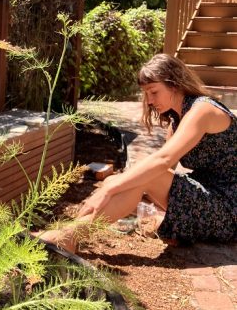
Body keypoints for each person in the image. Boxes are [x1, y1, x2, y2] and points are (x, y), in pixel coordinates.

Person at [34, 53, 236, 252]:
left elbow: (163, 161)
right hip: (209, 196)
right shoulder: (176, 121)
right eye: (146, 93)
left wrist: (108, 191)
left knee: (139, 179)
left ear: (174, 84)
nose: (148, 101)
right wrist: (116, 186)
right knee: (124, 180)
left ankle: (69, 237)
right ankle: (69, 235)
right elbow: (161, 171)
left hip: (228, 208)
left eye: (153, 92)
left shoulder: (203, 110)